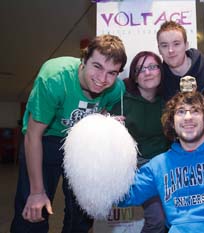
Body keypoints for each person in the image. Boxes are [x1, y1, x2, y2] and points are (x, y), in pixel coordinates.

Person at [10, 34, 127, 233]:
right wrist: (37, 191)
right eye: (97, 66)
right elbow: (32, 136)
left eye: (112, 72)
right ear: (83, 60)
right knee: (34, 211)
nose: (102, 79)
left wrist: (105, 123)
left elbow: (101, 112)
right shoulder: (55, 78)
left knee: (81, 211)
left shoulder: (116, 89)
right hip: (46, 138)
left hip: (81, 142)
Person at [115, 91, 204, 232]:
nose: (188, 117)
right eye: (180, 112)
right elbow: (120, 197)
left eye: (195, 111)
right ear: (172, 124)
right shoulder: (158, 166)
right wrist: (105, 145)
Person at [110, 51, 169, 233]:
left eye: (153, 67)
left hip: (167, 168)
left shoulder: (168, 102)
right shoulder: (121, 101)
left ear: (161, 71)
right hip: (139, 170)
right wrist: (108, 124)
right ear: (134, 77)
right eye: (141, 69)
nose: (148, 72)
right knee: (158, 220)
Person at [156, 20, 204, 103]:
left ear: (186, 45)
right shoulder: (158, 79)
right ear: (159, 49)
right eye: (164, 45)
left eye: (176, 44)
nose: (170, 50)